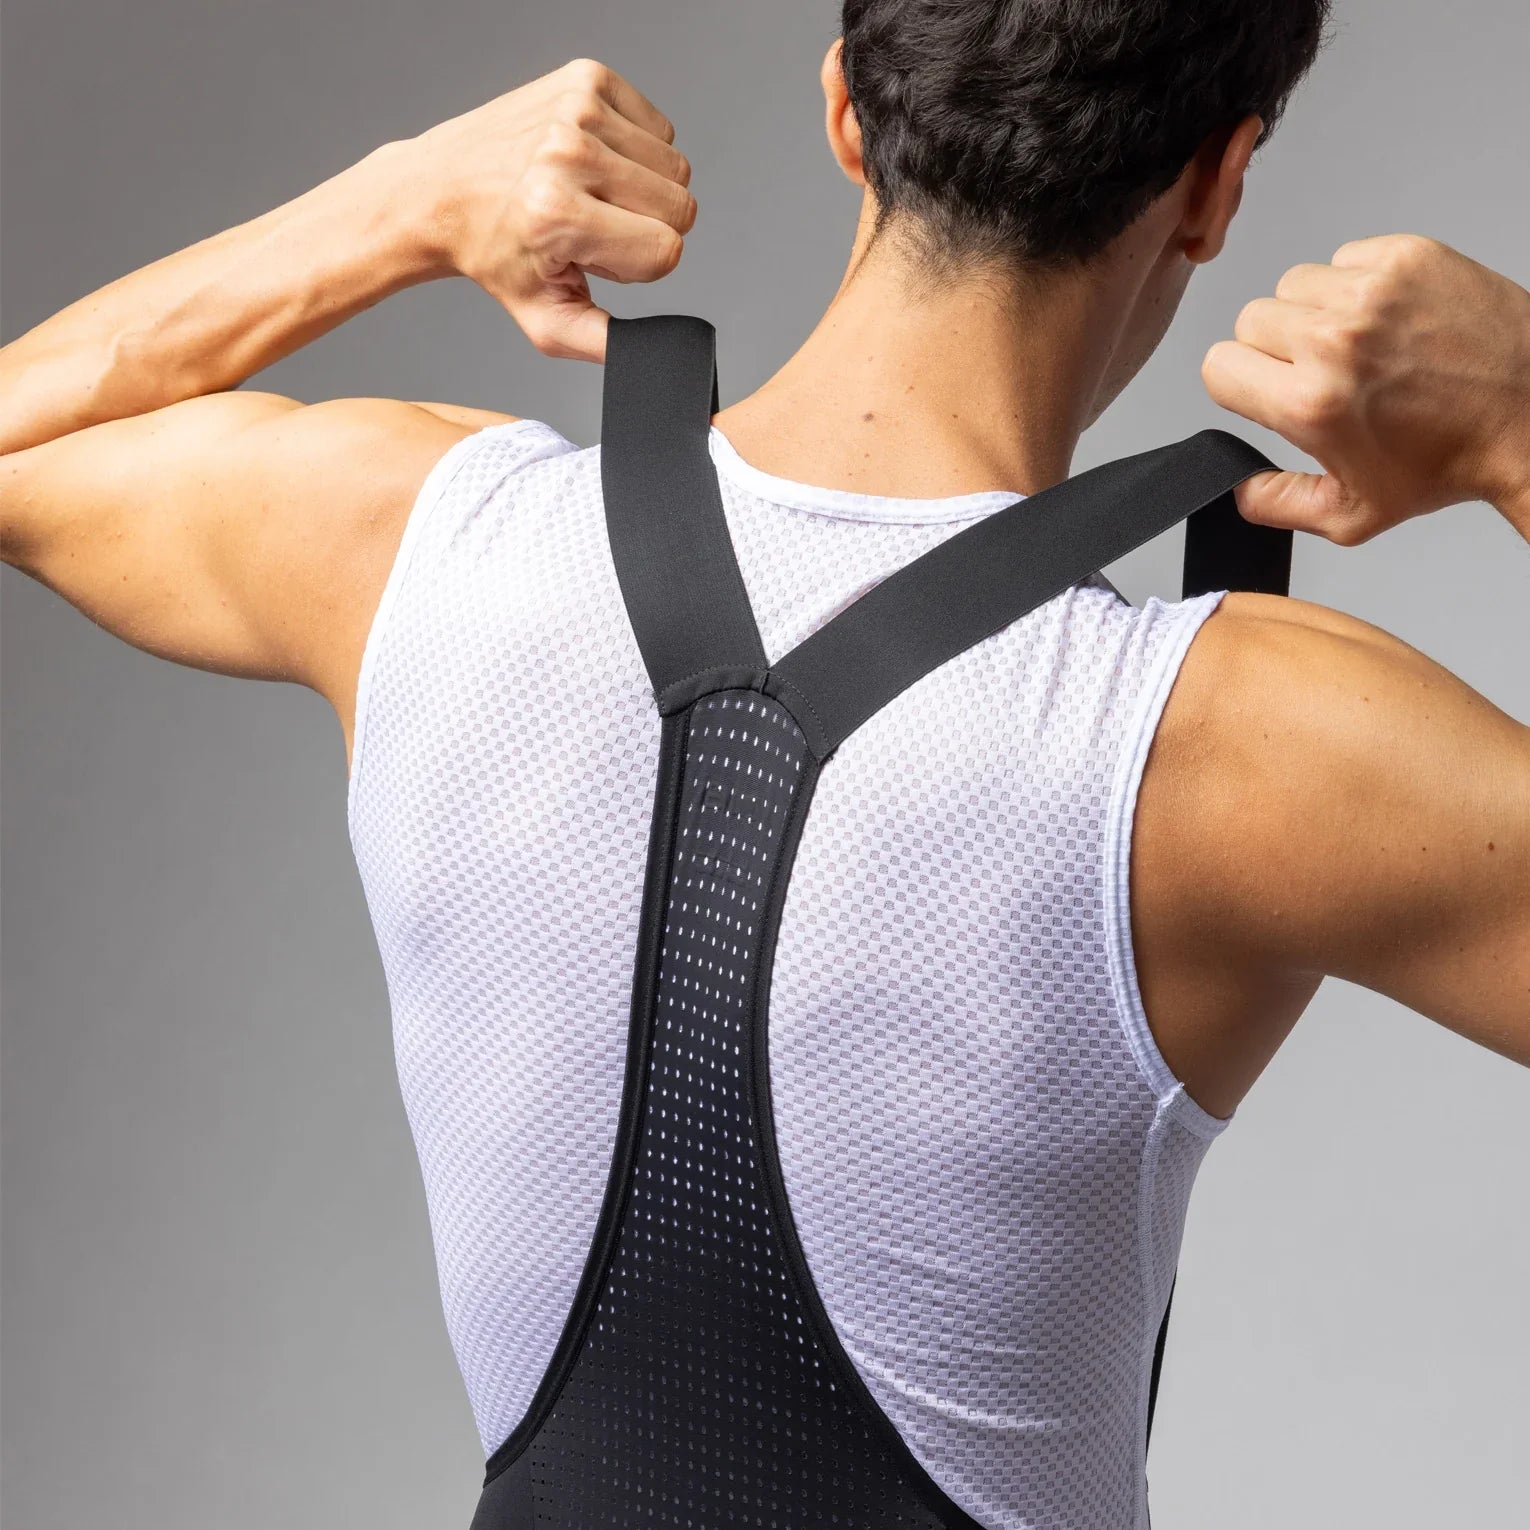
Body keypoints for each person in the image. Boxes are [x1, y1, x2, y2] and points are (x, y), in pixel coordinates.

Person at [3, 3, 1527, 1526]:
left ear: (847, 110)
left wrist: (397, 200)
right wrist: (1518, 419)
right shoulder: (1234, 732)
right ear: (1214, 182)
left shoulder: (420, 544)